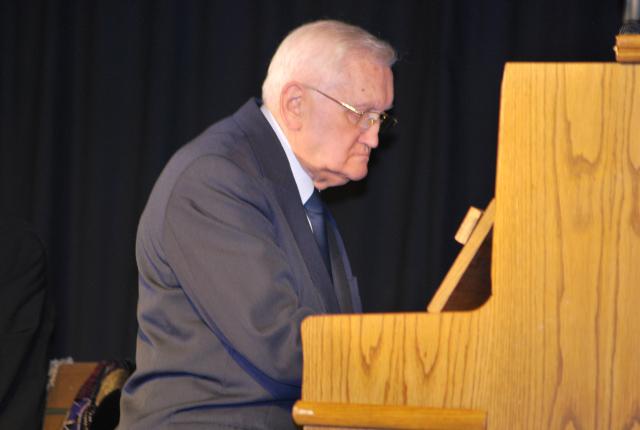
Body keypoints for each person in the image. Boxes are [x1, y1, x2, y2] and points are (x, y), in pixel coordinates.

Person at [118, 19, 396, 429]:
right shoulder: (213, 179)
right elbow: (279, 345)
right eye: (362, 114)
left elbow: (330, 334)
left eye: (381, 118)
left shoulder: (295, 193)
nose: (373, 138)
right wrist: (402, 364)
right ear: (295, 104)